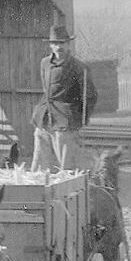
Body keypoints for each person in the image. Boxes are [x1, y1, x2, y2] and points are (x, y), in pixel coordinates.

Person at [31, 22, 97, 172]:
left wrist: (79, 118)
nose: (58, 47)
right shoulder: (45, 63)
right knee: (40, 165)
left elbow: (90, 96)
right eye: (55, 43)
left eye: (62, 43)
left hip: (65, 121)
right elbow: (46, 89)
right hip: (44, 118)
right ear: (50, 45)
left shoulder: (78, 67)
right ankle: (41, 192)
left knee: (66, 167)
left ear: (68, 45)